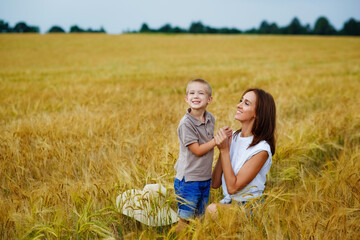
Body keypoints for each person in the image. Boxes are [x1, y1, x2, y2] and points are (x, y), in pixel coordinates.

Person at [173, 79, 232, 234]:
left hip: (204, 178)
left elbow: (208, 141)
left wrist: (222, 136)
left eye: (201, 93)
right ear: (186, 99)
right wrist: (217, 140)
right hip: (189, 180)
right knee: (185, 218)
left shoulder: (210, 118)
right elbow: (198, 150)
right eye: (191, 93)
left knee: (199, 217)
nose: (196, 96)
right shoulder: (186, 124)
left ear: (209, 100)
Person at [207, 88, 276, 217]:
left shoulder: (261, 150)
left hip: (249, 207)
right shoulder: (233, 137)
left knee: (212, 210)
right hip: (228, 202)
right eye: (241, 100)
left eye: (246, 103)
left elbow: (232, 188)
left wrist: (224, 150)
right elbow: (215, 183)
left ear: (258, 114)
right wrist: (223, 149)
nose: (238, 105)